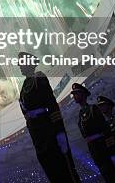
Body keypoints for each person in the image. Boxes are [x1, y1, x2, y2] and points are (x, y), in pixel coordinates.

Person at [17, 52, 79, 182]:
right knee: (50, 169)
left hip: (48, 128)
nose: (19, 65)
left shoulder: (38, 78)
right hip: (37, 132)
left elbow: (51, 104)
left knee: (63, 168)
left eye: (21, 63)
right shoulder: (25, 85)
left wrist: (59, 131)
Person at [71, 83, 115, 183]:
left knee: (113, 174)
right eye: (74, 94)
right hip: (94, 149)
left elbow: (105, 129)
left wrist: (112, 152)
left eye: (77, 93)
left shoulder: (93, 109)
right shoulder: (81, 115)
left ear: (83, 94)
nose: (74, 96)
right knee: (106, 175)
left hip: (102, 146)